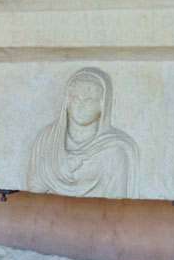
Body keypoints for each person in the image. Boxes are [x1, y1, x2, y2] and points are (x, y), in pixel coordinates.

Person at [27, 67, 139, 198]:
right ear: (67, 102)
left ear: (102, 104)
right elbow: (34, 186)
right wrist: (59, 171)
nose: (80, 107)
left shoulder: (114, 149)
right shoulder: (47, 139)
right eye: (75, 100)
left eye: (88, 101)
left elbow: (117, 200)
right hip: (49, 209)